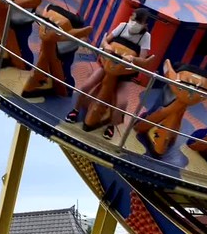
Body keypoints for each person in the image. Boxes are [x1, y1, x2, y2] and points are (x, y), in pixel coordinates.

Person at [65, 8, 152, 140]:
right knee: (86, 86)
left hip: (124, 73)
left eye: (138, 21)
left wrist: (133, 59)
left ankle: (112, 125)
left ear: (144, 25)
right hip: (107, 66)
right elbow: (106, 40)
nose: (134, 23)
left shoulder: (145, 37)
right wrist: (107, 46)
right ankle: (75, 110)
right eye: (133, 19)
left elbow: (143, 59)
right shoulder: (123, 27)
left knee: (121, 102)